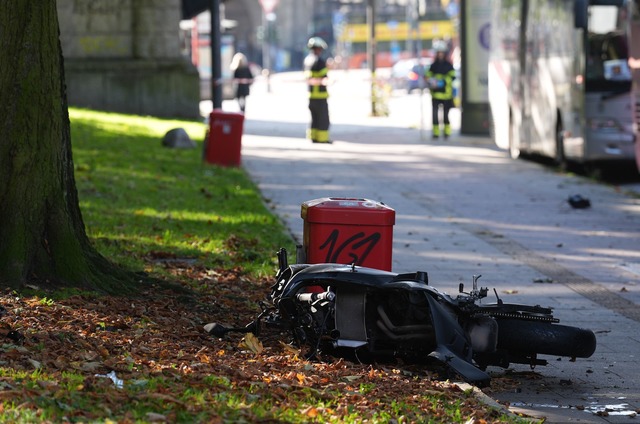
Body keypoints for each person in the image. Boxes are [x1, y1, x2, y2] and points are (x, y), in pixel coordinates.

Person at [426, 41, 456, 139]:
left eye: (441, 53)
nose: (440, 55)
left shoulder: (448, 65)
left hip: (446, 94)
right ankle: (436, 133)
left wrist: (443, 81)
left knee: (445, 115)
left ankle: (447, 133)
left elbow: (452, 77)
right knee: (435, 115)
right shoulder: (433, 65)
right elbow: (428, 76)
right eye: (438, 53)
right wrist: (431, 81)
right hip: (435, 94)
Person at [303, 37, 331, 144]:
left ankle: (313, 137)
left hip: (311, 95)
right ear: (318, 49)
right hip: (320, 95)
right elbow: (324, 77)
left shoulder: (307, 60)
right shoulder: (319, 61)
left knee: (314, 118)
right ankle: (323, 139)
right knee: (323, 119)